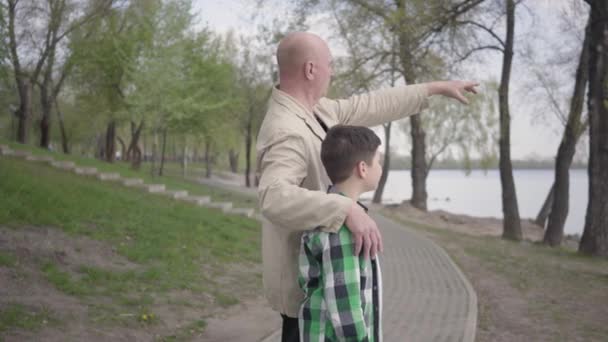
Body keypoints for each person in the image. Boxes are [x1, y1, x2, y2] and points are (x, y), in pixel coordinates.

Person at [256, 31, 478, 342]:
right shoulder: (285, 128)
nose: (332, 71)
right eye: (329, 64)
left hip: (323, 281)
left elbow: (373, 104)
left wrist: (435, 88)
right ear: (310, 69)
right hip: (305, 296)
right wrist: (346, 208)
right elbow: (273, 197)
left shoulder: (319, 109)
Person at [299, 125, 384, 341]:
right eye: (379, 161)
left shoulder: (335, 214)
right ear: (363, 168)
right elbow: (345, 313)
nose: (381, 168)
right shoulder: (343, 229)